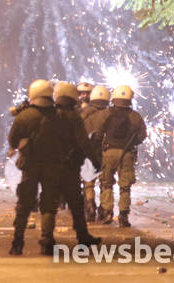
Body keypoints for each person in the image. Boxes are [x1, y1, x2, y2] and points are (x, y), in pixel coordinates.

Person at [7, 79, 65, 255]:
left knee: (24, 204)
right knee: (49, 205)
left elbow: (13, 140)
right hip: (52, 165)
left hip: (30, 165)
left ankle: (17, 242)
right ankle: (47, 240)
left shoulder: (24, 116)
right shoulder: (59, 115)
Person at [90, 85, 147, 227]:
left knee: (106, 183)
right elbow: (142, 136)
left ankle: (107, 212)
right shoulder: (135, 116)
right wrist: (131, 143)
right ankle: (123, 216)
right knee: (125, 186)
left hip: (108, 153)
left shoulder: (105, 114)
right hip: (127, 154)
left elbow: (97, 133)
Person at [53, 82, 101, 246]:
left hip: (50, 165)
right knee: (76, 202)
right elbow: (83, 142)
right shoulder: (75, 117)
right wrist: (94, 161)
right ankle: (82, 236)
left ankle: (46, 237)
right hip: (69, 166)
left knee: (48, 203)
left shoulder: (49, 115)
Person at [81, 85, 110, 222]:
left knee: (88, 181)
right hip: (106, 151)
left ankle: (90, 205)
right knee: (105, 182)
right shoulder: (111, 113)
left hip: (89, 151)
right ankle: (105, 209)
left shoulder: (84, 112)